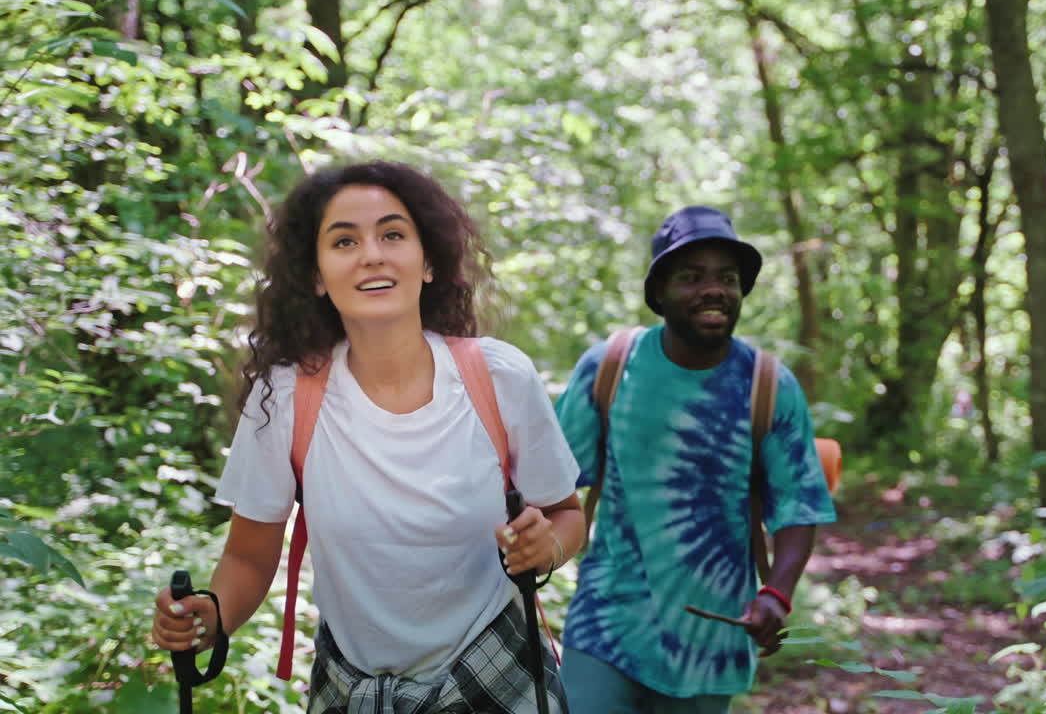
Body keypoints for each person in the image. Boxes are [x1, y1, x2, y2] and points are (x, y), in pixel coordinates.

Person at [150, 161, 583, 714]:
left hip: (497, 675)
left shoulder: (500, 377)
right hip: (352, 688)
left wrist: (548, 546)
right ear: (316, 276)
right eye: (344, 241)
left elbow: (567, 514)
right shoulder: (285, 396)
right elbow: (250, 557)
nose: (372, 254)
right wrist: (210, 615)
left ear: (428, 262)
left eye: (393, 234)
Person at [554, 206, 838, 713]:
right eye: (692, 277)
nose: (714, 289)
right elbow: (547, 483)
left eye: (726, 278)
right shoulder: (610, 366)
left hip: (709, 640)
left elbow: (799, 509)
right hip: (606, 624)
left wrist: (776, 594)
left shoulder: (768, 385)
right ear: (659, 292)